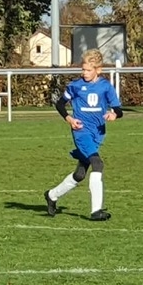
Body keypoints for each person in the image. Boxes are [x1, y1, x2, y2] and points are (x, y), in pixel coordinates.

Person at [43, 49, 123, 222]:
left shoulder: (105, 87)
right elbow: (60, 104)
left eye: (88, 70)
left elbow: (118, 110)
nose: (84, 73)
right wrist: (69, 119)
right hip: (81, 132)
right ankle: (96, 211)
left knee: (80, 174)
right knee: (97, 163)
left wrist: (114, 114)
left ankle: (51, 195)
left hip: (97, 134)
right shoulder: (76, 86)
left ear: (98, 70)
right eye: (83, 69)